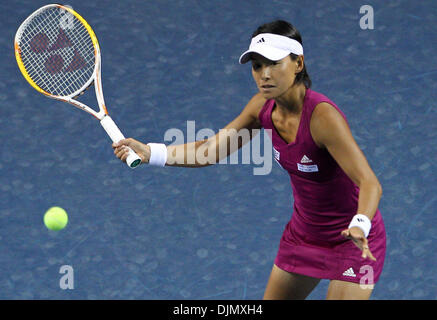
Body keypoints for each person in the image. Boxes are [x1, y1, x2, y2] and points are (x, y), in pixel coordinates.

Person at [113, 20, 386, 300]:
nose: (264, 74)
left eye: (273, 63)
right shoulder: (261, 108)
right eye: (257, 66)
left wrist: (360, 224)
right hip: (304, 237)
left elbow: (370, 183)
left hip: (353, 241)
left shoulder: (323, 118)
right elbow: (210, 149)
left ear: (298, 63)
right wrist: (152, 152)